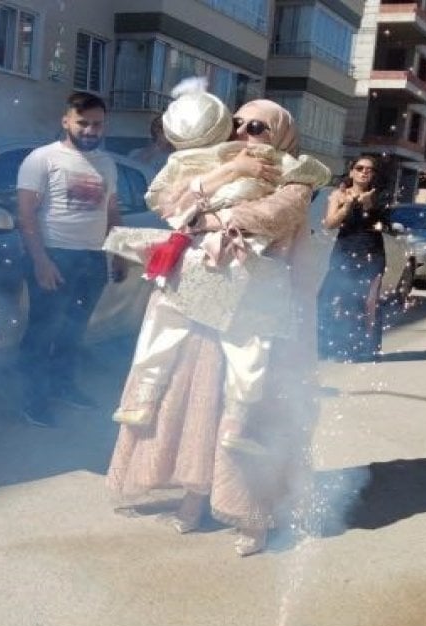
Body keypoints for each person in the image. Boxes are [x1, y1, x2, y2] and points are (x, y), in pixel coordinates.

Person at [107, 98, 323, 557]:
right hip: (202, 301)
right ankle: (194, 497)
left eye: (258, 127)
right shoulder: (216, 163)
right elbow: (170, 203)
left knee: (246, 413)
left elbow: (277, 214)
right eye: (237, 123)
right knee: (194, 405)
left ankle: (251, 515)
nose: (245, 132)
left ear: (280, 133)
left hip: (259, 310)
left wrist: (211, 219)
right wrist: (224, 175)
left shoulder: (297, 173)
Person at [15, 91, 125, 427]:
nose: (91, 130)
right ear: (66, 121)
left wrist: (118, 253)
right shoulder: (42, 159)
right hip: (54, 256)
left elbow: (112, 211)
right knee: (41, 332)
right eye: (83, 123)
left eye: (97, 124)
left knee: (74, 331)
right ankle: (33, 399)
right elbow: (25, 213)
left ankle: (64, 386)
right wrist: (41, 261)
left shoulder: (106, 163)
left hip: (92, 259)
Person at [318, 155, 389, 362]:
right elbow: (329, 223)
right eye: (359, 168)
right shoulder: (339, 195)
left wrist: (368, 205)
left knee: (367, 301)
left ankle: (365, 348)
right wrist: (347, 206)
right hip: (345, 250)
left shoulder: (379, 195)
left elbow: (385, 223)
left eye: (369, 169)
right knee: (334, 297)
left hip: (372, 251)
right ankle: (333, 345)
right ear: (351, 172)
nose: (364, 172)